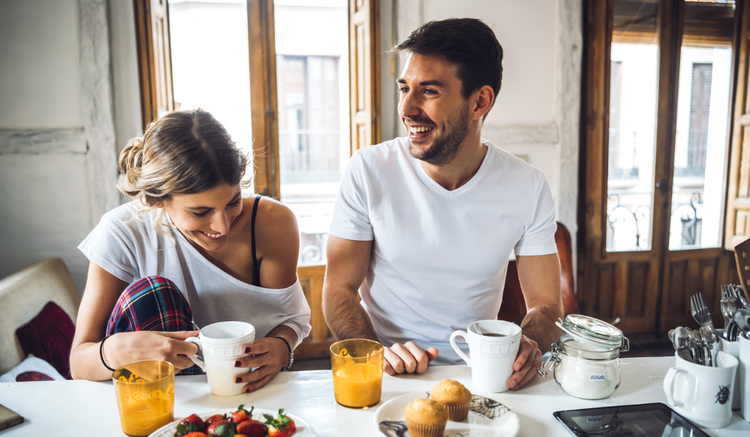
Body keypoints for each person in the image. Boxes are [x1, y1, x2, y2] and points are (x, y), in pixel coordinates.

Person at [322, 18, 563, 391]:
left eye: (429, 92)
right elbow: (338, 290)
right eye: (405, 88)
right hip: (387, 374)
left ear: (479, 101)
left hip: (483, 376)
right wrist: (375, 351)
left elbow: (547, 305)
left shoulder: (528, 186)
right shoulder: (368, 170)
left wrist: (528, 343)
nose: (407, 108)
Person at [69, 109, 311, 393]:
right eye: (201, 211)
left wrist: (282, 347)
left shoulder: (272, 224)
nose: (222, 226)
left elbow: (290, 319)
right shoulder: (122, 232)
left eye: (233, 202)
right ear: (158, 199)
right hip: (159, 395)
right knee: (155, 292)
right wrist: (116, 351)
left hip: (246, 389)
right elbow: (79, 363)